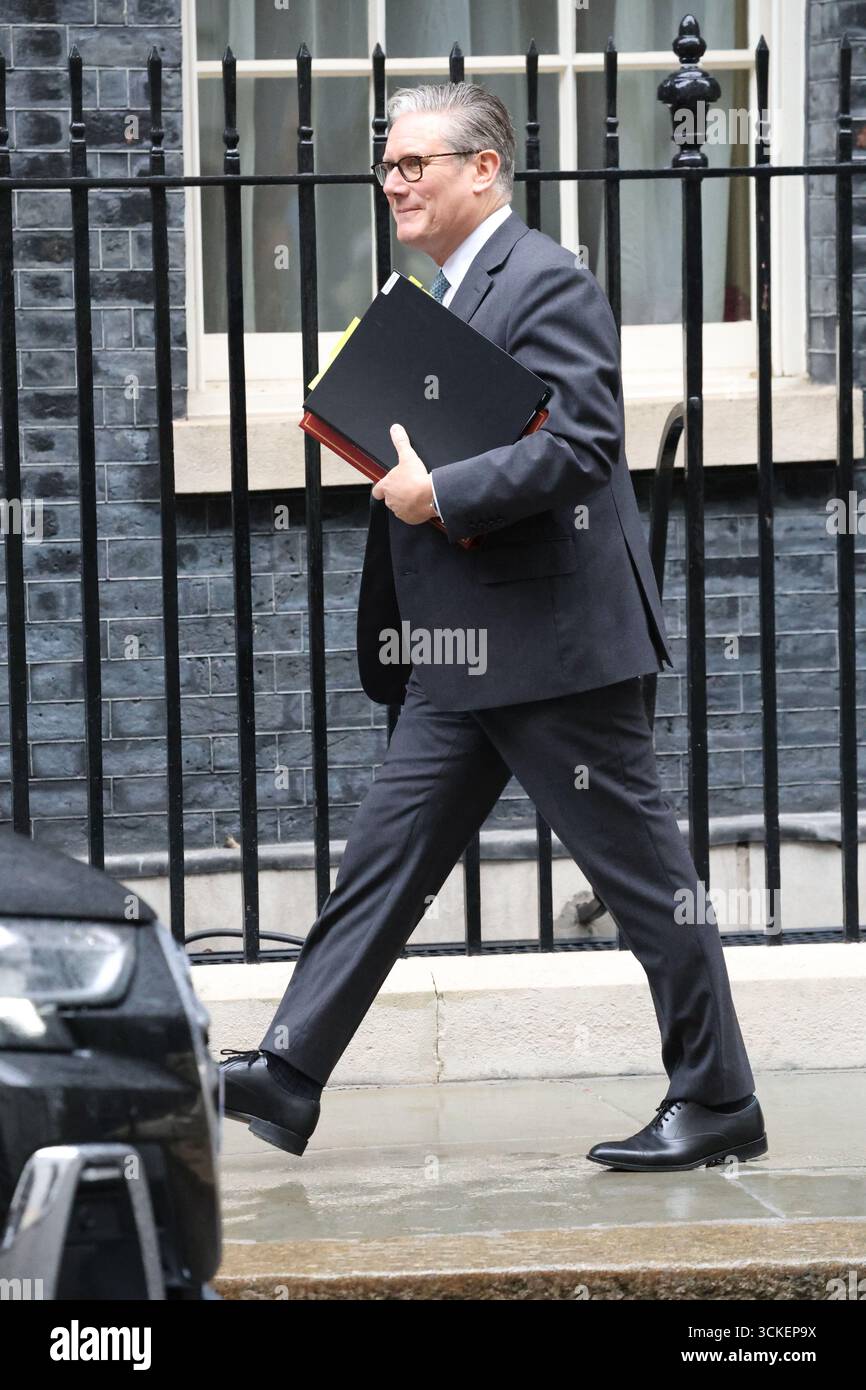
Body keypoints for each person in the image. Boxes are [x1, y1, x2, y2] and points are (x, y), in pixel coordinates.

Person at [220, 81, 767, 1172]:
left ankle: (717, 1100)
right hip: (463, 650)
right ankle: (287, 1072)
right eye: (386, 166)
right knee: (384, 859)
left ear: (485, 168)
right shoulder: (442, 294)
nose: (394, 182)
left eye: (415, 163)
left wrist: (442, 496)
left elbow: (581, 441)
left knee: (643, 877)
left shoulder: (544, 280)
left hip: (555, 649)